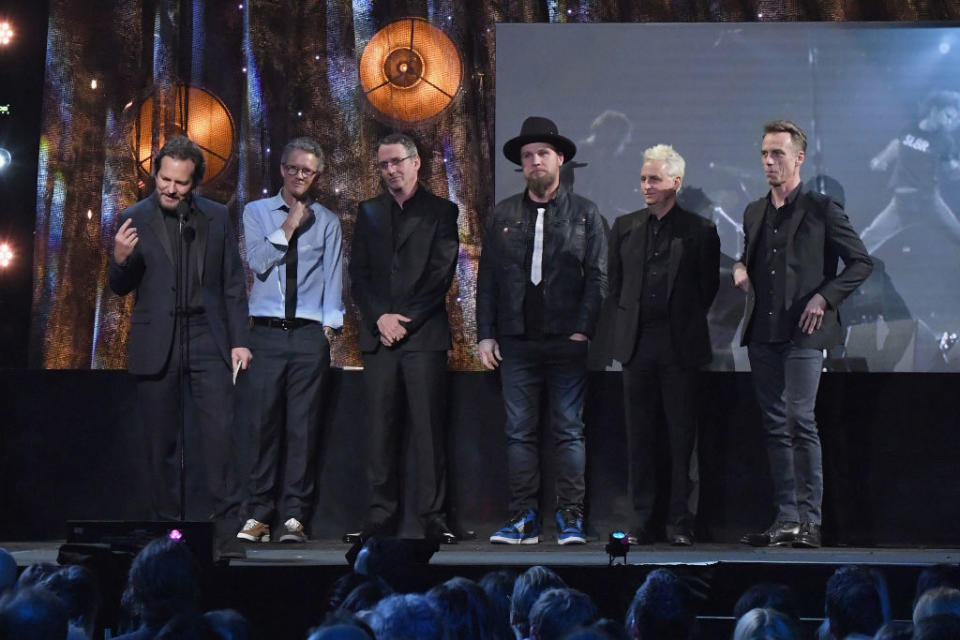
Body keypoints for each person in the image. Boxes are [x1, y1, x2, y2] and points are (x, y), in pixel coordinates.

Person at [733, 121, 872, 548]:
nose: (769, 161)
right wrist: (740, 267)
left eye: (777, 153)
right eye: (764, 154)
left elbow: (860, 263)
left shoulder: (821, 209)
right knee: (776, 425)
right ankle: (787, 518)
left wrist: (825, 298)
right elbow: (749, 257)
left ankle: (811, 521)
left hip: (804, 332)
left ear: (798, 158)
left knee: (799, 420)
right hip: (764, 331)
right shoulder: (755, 211)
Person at [108, 136, 250, 538]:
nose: (170, 188)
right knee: (161, 445)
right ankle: (166, 532)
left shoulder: (217, 216)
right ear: (155, 173)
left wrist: (240, 340)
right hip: (158, 341)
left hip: (208, 336)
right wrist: (119, 261)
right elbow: (120, 286)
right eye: (165, 179)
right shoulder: (132, 216)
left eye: (181, 183)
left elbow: (233, 284)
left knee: (221, 438)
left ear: (196, 183)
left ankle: (227, 532)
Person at [477, 116, 607, 545]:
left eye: (542, 154)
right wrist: (486, 333)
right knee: (519, 433)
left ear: (560, 159)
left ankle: (571, 517)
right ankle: (523, 520)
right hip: (516, 341)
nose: (534, 161)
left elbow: (599, 278)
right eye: (528, 156)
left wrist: (583, 331)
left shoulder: (585, 214)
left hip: (566, 340)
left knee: (569, 430)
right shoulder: (504, 215)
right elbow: (489, 279)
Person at [347, 132, 460, 544]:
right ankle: (380, 516)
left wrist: (403, 320)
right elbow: (359, 275)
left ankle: (433, 517)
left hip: (423, 336)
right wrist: (380, 318)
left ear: (416, 163)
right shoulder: (369, 211)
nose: (390, 170)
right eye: (383, 164)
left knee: (428, 431)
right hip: (380, 338)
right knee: (380, 430)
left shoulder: (442, 211)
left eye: (396, 162)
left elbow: (440, 275)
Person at [607, 144, 720, 546]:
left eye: (654, 179)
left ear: (676, 181)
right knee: (640, 438)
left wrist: (682, 323)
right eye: (642, 178)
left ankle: (680, 521)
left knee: (681, 438)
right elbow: (616, 287)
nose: (646, 186)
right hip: (637, 347)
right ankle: (643, 521)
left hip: (680, 347)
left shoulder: (700, 230)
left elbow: (707, 288)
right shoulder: (624, 227)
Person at [236, 136, 343, 544]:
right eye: (294, 168)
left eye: (309, 171)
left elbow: (334, 277)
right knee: (263, 425)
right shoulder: (257, 212)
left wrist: (329, 328)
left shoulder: (329, 221)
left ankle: (295, 516)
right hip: (264, 333)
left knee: (303, 428)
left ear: (316, 176)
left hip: (308, 336)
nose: (301, 176)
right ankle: (259, 514)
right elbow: (259, 262)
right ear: (282, 168)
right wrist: (290, 224)